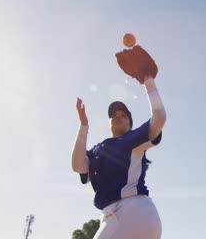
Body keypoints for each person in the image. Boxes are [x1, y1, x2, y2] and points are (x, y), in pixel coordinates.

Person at [71, 72, 166, 239]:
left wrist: (148, 81)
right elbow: (77, 165)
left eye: (123, 115)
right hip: (116, 216)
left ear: (130, 124)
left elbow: (159, 119)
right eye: (113, 115)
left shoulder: (130, 139)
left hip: (131, 211)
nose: (117, 116)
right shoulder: (96, 150)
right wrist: (84, 125)